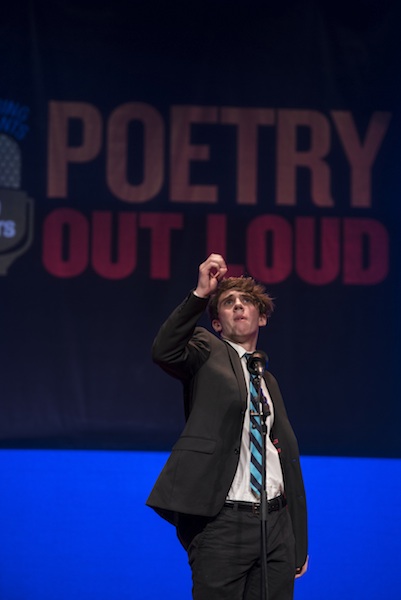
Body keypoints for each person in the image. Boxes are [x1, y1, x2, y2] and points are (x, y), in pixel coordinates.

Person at [146, 253, 308, 600]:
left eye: (246, 301)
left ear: (261, 317)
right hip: (224, 524)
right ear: (217, 322)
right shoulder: (207, 351)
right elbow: (165, 350)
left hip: (275, 524)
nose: (237, 306)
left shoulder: (268, 380)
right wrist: (202, 293)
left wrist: (298, 539)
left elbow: (285, 457)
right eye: (228, 302)